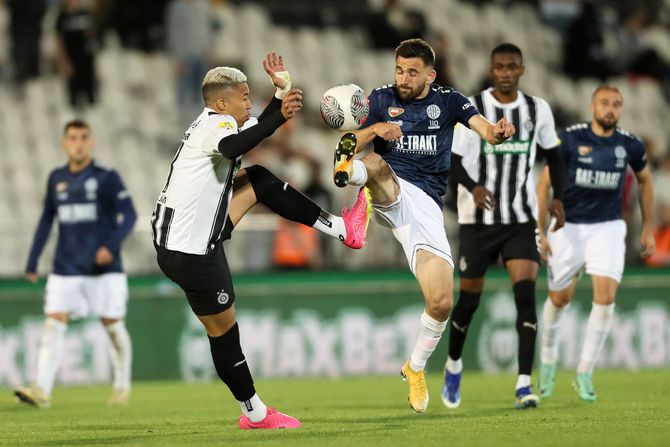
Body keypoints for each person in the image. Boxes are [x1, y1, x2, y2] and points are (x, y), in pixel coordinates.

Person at [151, 52, 370, 430]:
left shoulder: (216, 122)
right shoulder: (216, 127)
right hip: (191, 250)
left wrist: (281, 91)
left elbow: (257, 126)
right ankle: (254, 413)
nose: (249, 102)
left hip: (185, 237)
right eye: (244, 96)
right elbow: (234, 147)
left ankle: (343, 229)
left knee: (259, 181)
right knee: (224, 333)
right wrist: (278, 117)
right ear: (222, 103)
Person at [333, 38, 515, 413]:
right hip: (388, 189)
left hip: (425, 208)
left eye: (412, 72)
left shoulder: (449, 101)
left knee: (442, 301)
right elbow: (349, 139)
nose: (403, 77)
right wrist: (377, 129)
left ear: (429, 74)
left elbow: (484, 130)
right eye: (399, 69)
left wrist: (498, 132)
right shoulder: (380, 100)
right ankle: (353, 187)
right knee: (376, 166)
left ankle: (414, 368)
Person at [440, 43, 566, 410]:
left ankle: (524, 384)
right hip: (477, 221)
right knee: (468, 303)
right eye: (499, 67)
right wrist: (474, 187)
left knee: (525, 298)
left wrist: (557, 196)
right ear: (491, 70)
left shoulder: (536, 109)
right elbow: (456, 161)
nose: (506, 72)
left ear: (521, 69)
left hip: (520, 219)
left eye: (512, 66)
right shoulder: (474, 108)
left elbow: (554, 154)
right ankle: (453, 364)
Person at [536, 85, 655, 401]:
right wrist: (541, 231)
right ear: (592, 107)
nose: (611, 109)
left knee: (606, 297)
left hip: (608, 227)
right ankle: (547, 363)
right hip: (568, 226)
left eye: (616, 104)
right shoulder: (571, 139)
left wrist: (647, 228)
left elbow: (645, 180)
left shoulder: (629, 144)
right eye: (605, 103)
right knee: (559, 300)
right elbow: (544, 183)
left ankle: (585, 373)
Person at [15, 119, 137, 408]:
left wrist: (110, 246)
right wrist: (33, 260)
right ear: (64, 143)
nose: (78, 142)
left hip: (103, 270)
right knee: (53, 323)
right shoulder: (56, 177)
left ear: (91, 141)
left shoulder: (107, 176)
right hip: (65, 267)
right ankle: (41, 390)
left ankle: (121, 385)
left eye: (84, 137)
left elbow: (130, 214)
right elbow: (47, 219)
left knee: (112, 326)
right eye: (73, 137)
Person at [55, 0, 99, 108]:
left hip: (87, 59)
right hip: (72, 59)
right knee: (73, 99)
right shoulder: (62, 17)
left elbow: (94, 32)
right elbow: (59, 40)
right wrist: (62, 61)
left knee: (90, 96)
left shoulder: (86, 14)